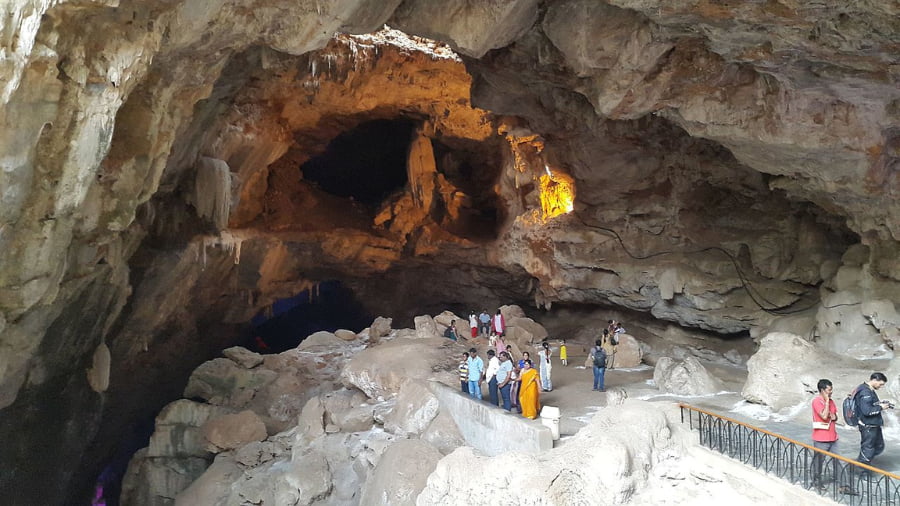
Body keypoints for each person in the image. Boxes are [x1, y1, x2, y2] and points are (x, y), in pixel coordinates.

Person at [855, 372, 892, 469]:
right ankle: (862, 470)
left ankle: (864, 462)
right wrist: (881, 407)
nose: (881, 386)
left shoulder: (868, 389)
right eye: (880, 384)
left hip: (873, 425)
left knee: (879, 446)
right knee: (868, 448)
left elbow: (870, 405)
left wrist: (880, 403)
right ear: (875, 380)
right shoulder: (865, 392)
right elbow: (867, 411)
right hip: (868, 426)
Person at [811, 379, 838, 488]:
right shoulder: (816, 401)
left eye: (831, 390)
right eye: (829, 390)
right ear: (822, 390)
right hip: (821, 437)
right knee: (819, 462)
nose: (831, 392)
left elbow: (835, 415)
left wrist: (834, 416)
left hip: (833, 436)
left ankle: (843, 485)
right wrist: (826, 401)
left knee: (839, 460)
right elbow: (823, 415)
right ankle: (816, 481)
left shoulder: (832, 401)